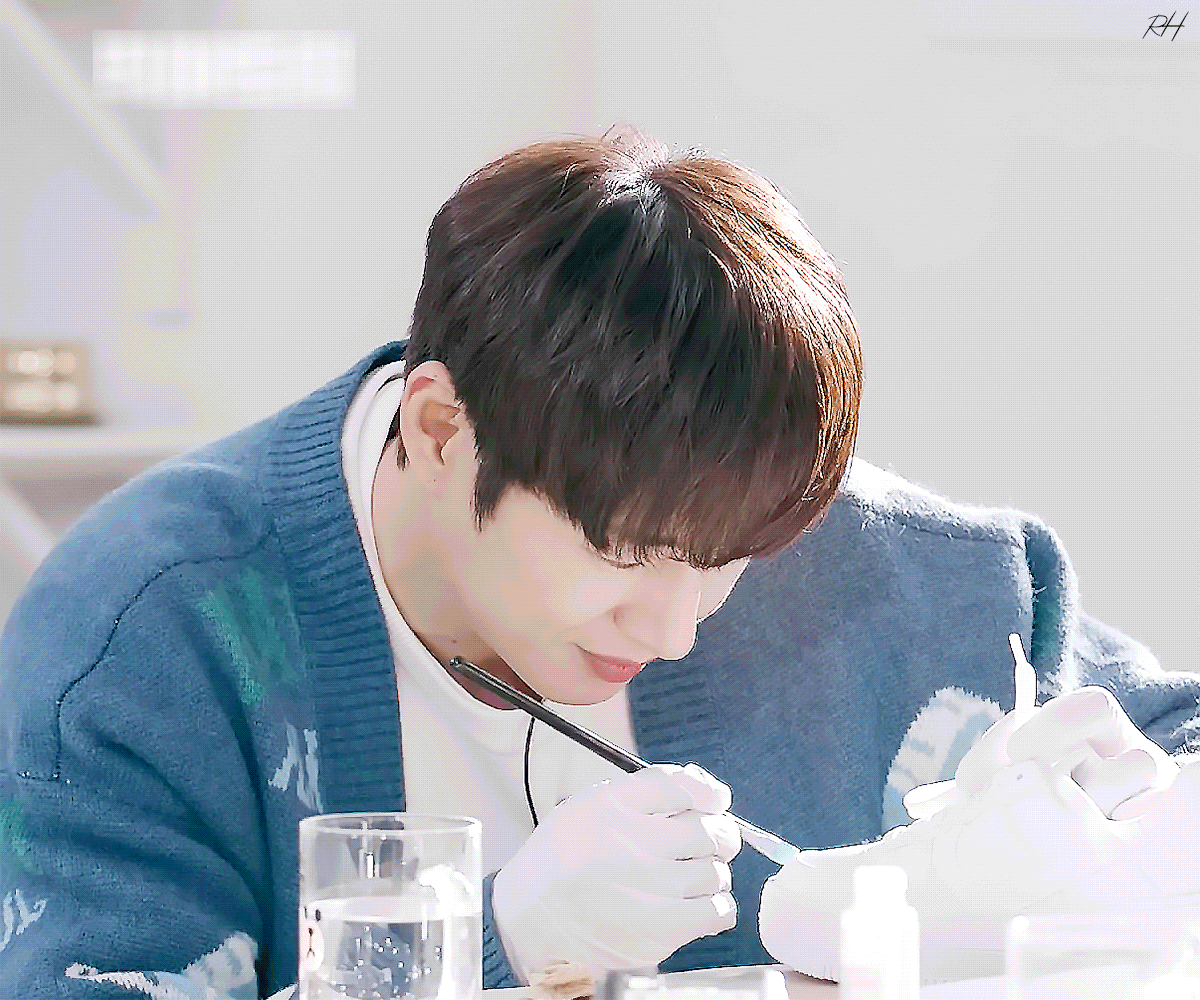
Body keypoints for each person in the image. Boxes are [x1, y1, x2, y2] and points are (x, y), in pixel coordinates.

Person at [1, 127, 1197, 1000]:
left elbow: (1173, 758)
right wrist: (496, 946)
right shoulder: (143, 642)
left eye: (727, 560)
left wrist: (1138, 829)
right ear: (440, 430)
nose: (676, 628)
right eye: (627, 553)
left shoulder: (889, 572)